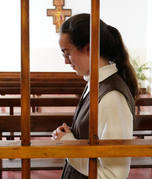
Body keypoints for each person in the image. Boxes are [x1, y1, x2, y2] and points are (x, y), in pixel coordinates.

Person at [51, 13, 138, 179]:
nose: (66, 62)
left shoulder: (112, 96)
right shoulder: (95, 82)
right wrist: (71, 136)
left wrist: (68, 143)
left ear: (90, 48)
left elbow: (114, 175)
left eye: (67, 53)